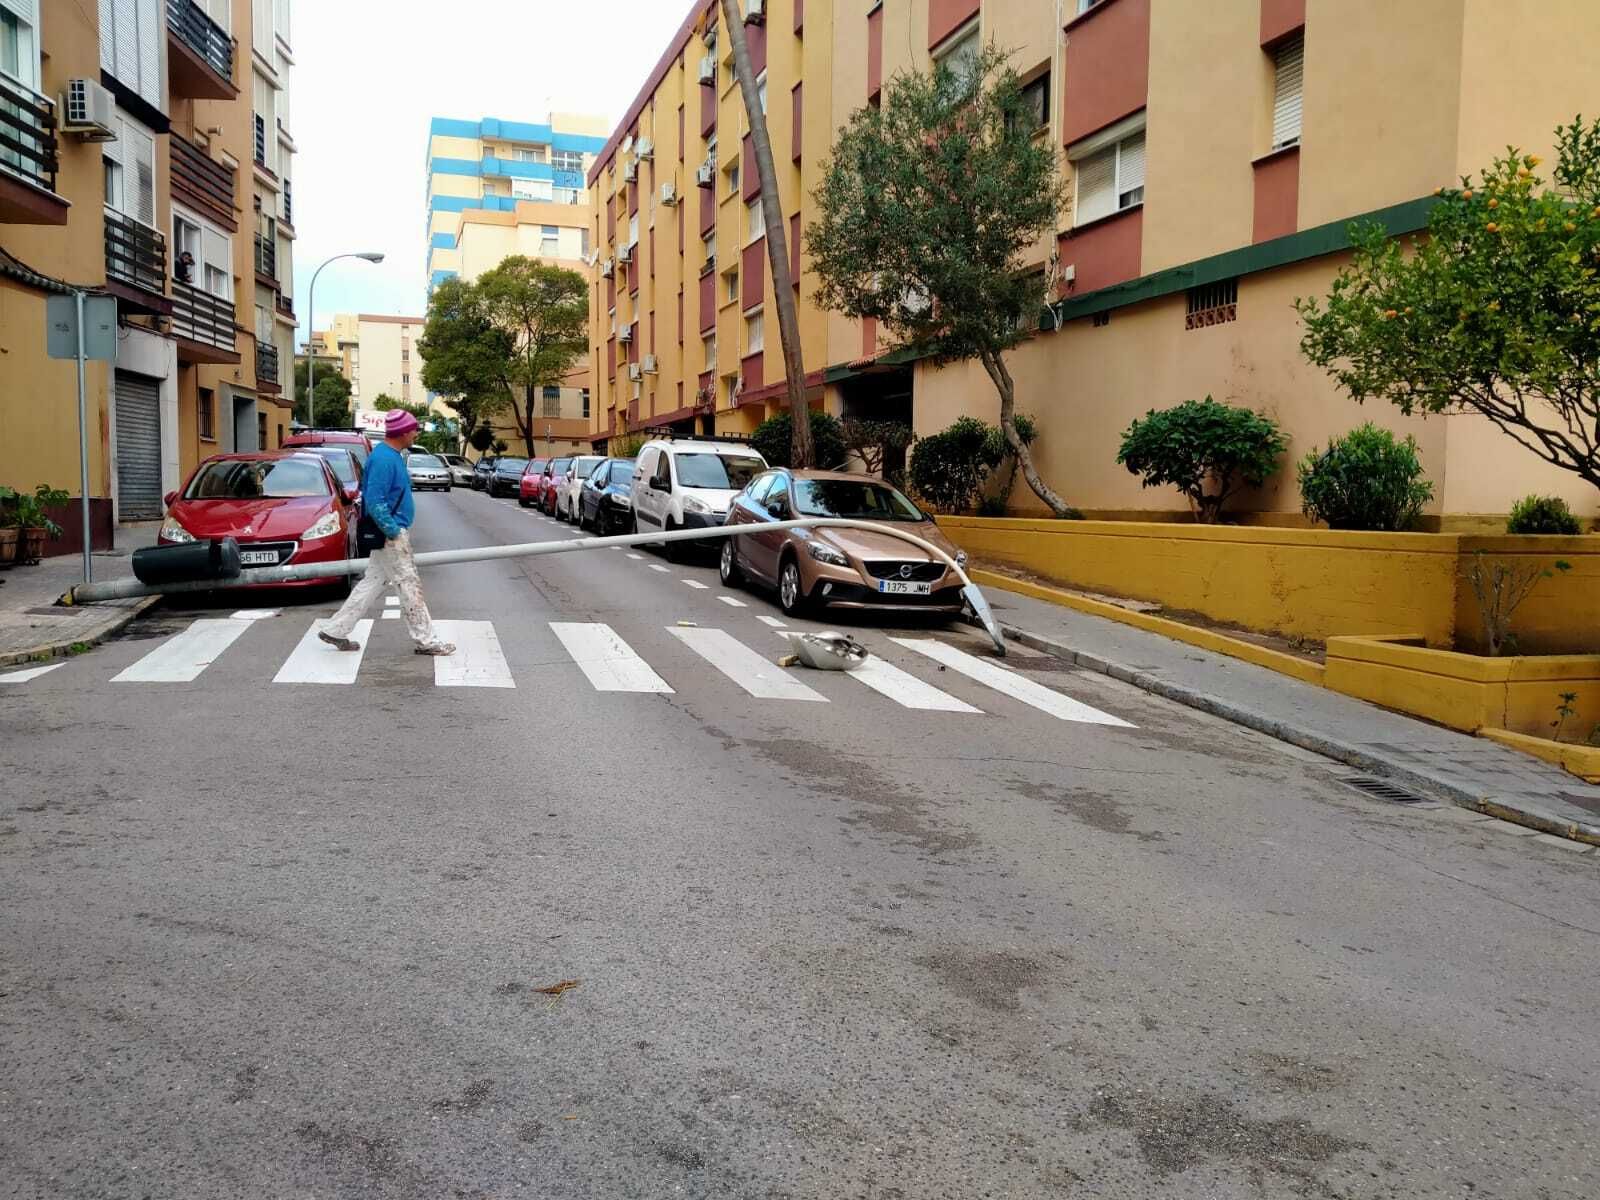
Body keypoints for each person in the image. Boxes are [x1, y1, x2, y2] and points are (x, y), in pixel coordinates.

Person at [318, 409, 455, 656]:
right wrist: (392, 531)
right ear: (402, 432)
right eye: (414, 429)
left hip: (388, 530)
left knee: (372, 582)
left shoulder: (387, 455)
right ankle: (426, 640)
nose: (416, 433)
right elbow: (375, 499)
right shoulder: (385, 458)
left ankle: (336, 629)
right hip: (391, 532)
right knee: (409, 584)